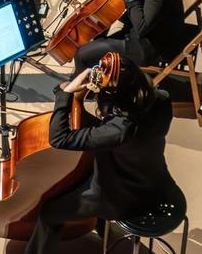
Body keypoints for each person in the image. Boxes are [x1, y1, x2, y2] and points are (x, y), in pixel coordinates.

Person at [24, 54, 182, 254]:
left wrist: (68, 94)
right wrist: (79, 103)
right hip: (156, 182)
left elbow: (59, 139)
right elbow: (104, 131)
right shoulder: (161, 99)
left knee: (50, 212)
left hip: (120, 198)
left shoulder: (118, 131)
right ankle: (99, 225)